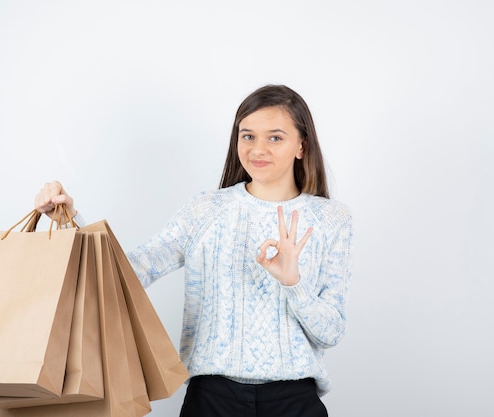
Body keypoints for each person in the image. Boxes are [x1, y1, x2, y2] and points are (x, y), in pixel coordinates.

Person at [35, 84, 353, 417]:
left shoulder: (332, 219)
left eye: (275, 137)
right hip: (212, 399)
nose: (258, 149)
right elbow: (125, 274)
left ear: (301, 146)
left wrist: (293, 283)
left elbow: (330, 332)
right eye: (248, 136)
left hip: (294, 402)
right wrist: (68, 218)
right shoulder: (204, 210)